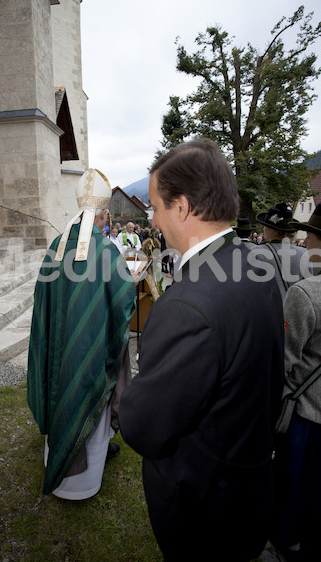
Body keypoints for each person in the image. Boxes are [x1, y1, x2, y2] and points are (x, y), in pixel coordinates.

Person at [119, 139, 284, 562]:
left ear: (183, 207)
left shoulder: (186, 306)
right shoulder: (256, 265)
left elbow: (144, 427)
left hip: (204, 509)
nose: (153, 221)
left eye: (156, 207)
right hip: (248, 486)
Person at [27, 168, 136, 499]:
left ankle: (58, 458)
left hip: (57, 351)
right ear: (103, 212)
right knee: (91, 392)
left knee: (62, 392)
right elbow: (122, 302)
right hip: (91, 346)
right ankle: (83, 483)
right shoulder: (105, 250)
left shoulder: (56, 246)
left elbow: (42, 301)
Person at [271, 203, 321, 561]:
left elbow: (284, 362)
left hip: (307, 414)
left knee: (294, 490)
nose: (306, 243)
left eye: (312, 236)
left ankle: (287, 542)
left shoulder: (306, 294)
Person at [256, 203, 310, 299]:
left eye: (265, 226)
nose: (264, 229)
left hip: (269, 309)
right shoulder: (305, 254)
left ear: (272, 230)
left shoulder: (255, 253)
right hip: (298, 309)